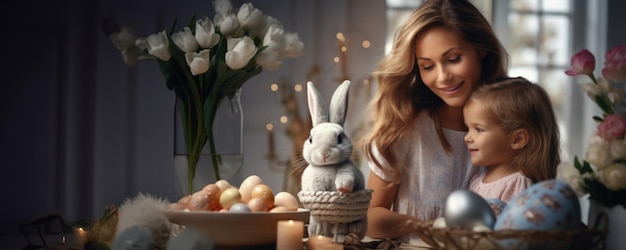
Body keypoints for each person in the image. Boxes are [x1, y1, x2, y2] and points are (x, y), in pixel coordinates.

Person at [361, 0, 509, 242]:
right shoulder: (405, 129)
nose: (443, 77)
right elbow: (371, 218)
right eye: (427, 66)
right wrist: (426, 228)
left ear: (481, 49)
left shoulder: (509, 128)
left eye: (453, 59)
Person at [464, 77, 560, 203]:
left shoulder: (516, 185)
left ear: (517, 139)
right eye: (468, 128)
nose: (467, 138)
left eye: (479, 129)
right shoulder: (476, 181)